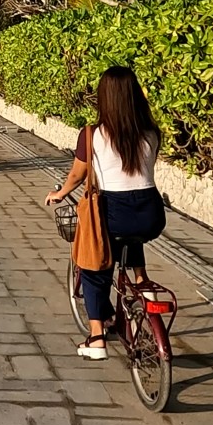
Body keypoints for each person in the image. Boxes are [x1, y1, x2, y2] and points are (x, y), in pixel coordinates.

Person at [44, 66, 166, 360]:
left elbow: (76, 175)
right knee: (131, 238)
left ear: (104, 98)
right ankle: (142, 284)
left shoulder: (92, 135)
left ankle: (97, 338)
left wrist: (60, 193)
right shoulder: (151, 132)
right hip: (151, 212)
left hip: (113, 211)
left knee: (94, 271)